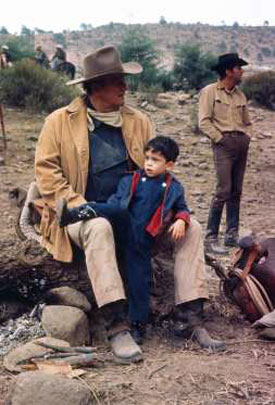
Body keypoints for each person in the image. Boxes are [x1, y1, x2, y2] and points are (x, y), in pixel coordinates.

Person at [35, 45, 224, 363]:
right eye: (118, 81)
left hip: (136, 214)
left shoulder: (139, 121)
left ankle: (189, 317)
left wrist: (170, 212)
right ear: (96, 86)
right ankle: (117, 324)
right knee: (99, 226)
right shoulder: (59, 122)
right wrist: (82, 205)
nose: (125, 87)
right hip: (83, 214)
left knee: (191, 228)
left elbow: (156, 171)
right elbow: (46, 173)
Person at [56, 136, 195, 342]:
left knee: (140, 281)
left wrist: (182, 220)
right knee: (117, 209)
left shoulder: (174, 188)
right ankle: (74, 214)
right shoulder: (131, 179)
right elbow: (115, 203)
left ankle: (138, 326)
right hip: (122, 227)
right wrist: (110, 213)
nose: (148, 163)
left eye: (155, 160)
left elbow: (182, 208)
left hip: (142, 239)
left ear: (170, 165)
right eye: (147, 158)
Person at [199, 53, 253, 255]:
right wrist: (221, 140)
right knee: (223, 190)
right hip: (223, 144)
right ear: (229, 71)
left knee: (236, 190)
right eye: (239, 68)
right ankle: (210, 238)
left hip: (241, 143)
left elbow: (247, 122)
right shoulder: (210, 92)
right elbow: (204, 121)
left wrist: (247, 137)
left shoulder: (240, 95)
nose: (242, 71)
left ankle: (231, 235)